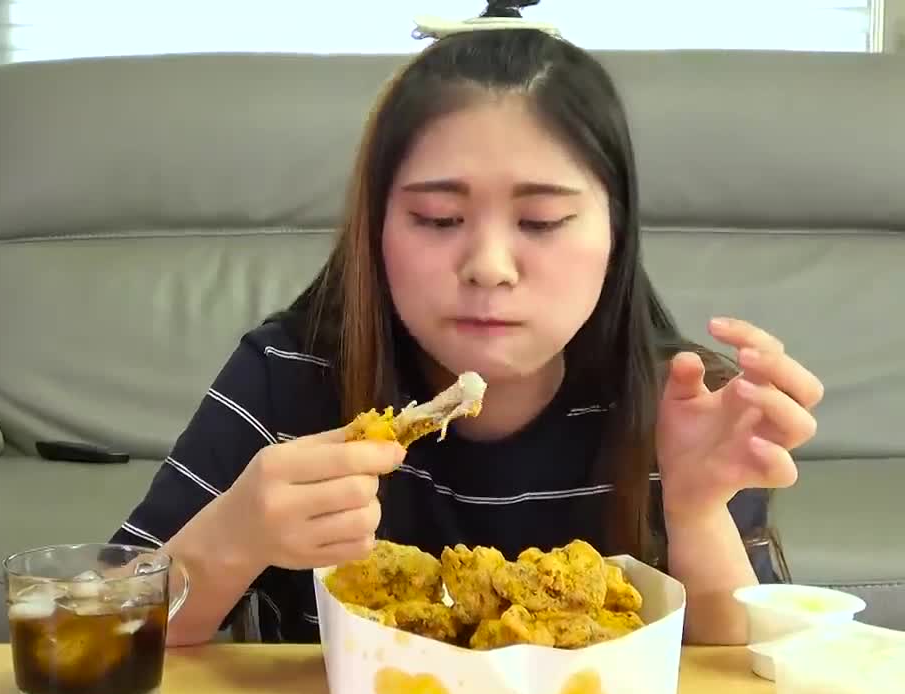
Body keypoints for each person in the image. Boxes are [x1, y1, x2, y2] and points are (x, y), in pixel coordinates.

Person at [109, 13, 824, 648]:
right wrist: (233, 538)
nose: (488, 267)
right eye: (438, 219)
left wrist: (697, 514)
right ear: (375, 228)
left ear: (616, 233)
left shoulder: (686, 404)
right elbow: (98, 632)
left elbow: (738, 673)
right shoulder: (287, 377)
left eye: (541, 221)